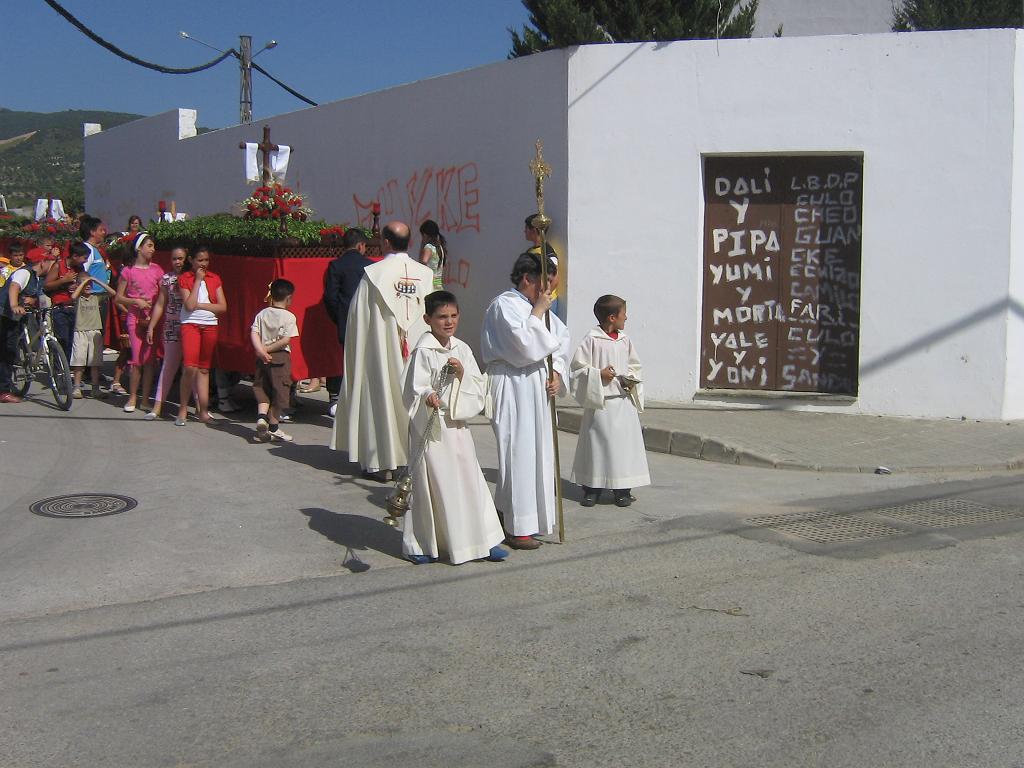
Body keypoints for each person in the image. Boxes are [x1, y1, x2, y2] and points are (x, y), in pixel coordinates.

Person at [401, 291, 508, 565]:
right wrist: (428, 396)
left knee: (468, 479)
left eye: (453, 316)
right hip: (433, 429)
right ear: (427, 319)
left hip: (457, 426)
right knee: (434, 484)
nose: (448, 322)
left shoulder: (462, 348)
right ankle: (424, 543)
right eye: (441, 317)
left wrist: (461, 374)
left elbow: (477, 383)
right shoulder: (423, 351)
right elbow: (413, 388)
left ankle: (483, 539)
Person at [330, 221, 433, 481]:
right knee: (415, 398)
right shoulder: (425, 274)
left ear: (385, 242)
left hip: (382, 350)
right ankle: (417, 459)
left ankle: (382, 462)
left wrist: (359, 351)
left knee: (381, 396)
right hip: (417, 347)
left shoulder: (374, 274)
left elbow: (358, 318)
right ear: (409, 243)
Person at [481, 252, 570, 549]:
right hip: (512, 383)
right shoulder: (504, 306)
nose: (547, 293)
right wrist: (537, 313)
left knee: (538, 454)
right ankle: (517, 527)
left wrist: (557, 372)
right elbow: (522, 347)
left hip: (537, 390)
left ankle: (515, 515)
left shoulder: (538, 309)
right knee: (518, 454)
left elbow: (560, 341)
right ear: (527, 278)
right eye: (544, 285)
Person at [569, 294, 651, 507]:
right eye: (624, 314)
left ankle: (622, 489)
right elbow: (577, 369)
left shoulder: (625, 340)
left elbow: (635, 365)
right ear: (612, 317)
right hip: (601, 404)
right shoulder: (592, 339)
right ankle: (592, 488)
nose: (627, 317)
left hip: (623, 402)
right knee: (598, 447)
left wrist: (631, 380)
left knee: (622, 449)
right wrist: (598, 375)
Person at [322, 227, 372, 415]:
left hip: (345, 319)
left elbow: (330, 297)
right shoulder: (369, 265)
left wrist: (338, 316)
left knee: (346, 362)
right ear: (361, 245)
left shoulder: (336, 265)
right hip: (367, 321)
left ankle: (342, 401)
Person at [175, 245, 226, 426]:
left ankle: (203, 411)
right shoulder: (185, 278)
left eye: (206, 260)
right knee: (190, 366)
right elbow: (189, 305)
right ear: (192, 261)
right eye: (200, 260)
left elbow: (222, 307)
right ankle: (182, 409)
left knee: (204, 369)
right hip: (191, 324)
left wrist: (202, 306)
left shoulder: (215, 278)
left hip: (210, 324)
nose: (204, 264)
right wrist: (197, 280)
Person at [0, 247, 59, 403]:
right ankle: (3, 391)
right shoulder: (24, 272)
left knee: (12, 348)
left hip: (18, 316)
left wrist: (32, 301)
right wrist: (14, 305)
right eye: (52, 263)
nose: (54, 267)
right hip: (5, 314)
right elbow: (14, 287)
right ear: (43, 262)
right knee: (6, 352)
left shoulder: (38, 278)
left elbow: (31, 295)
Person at [115, 233, 164, 413]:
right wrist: (135, 302)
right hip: (135, 318)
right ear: (139, 248)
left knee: (150, 360)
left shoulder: (157, 270)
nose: (153, 249)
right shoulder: (128, 270)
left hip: (152, 319)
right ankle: (133, 396)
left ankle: (145, 399)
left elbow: (163, 292)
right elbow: (118, 297)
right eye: (149, 245)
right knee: (137, 359)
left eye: (153, 245)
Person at [250, 279, 299, 443]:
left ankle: (262, 417)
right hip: (279, 356)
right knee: (280, 392)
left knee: (262, 388)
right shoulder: (289, 317)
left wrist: (260, 350)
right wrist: (269, 350)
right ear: (289, 298)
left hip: (262, 358)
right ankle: (274, 427)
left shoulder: (262, 314)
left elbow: (254, 333)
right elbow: (286, 340)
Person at [145, 247, 188, 420]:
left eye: (181, 258)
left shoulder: (191, 277)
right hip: (171, 325)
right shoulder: (166, 279)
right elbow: (160, 304)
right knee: (168, 366)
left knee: (192, 368)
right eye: (175, 259)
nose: (178, 262)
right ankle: (157, 406)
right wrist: (151, 326)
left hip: (189, 325)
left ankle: (201, 408)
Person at [69, 247, 116, 399]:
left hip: (95, 331)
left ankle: (95, 388)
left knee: (95, 363)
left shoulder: (96, 297)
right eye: (84, 284)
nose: (87, 286)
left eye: (88, 284)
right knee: (79, 362)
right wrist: (81, 283)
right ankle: (77, 387)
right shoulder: (79, 298)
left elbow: (113, 293)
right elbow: (74, 295)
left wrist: (94, 280)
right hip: (81, 331)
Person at [43, 239, 89, 360]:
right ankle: (59, 367)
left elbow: (84, 282)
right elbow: (47, 285)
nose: (86, 261)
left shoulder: (79, 268)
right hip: (60, 307)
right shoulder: (59, 265)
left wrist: (79, 286)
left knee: (72, 340)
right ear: (74, 256)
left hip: (74, 306)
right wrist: (63, 281)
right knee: (62, 339)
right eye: (84, 258)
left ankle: (68, 369)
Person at [525, 213, 562, 317]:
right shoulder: (531, 251)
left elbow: (555, 278)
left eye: (526, 228)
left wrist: (543, 297)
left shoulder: (548, 252)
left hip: (545, 302)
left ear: (534, 230)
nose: (524, 231)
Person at [418, 219, 446, 290]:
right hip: (438, 284)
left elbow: (423, 263)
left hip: (429, 286)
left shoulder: (429, 247)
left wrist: (422, 246)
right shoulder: (439, 247)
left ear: (425, 234)